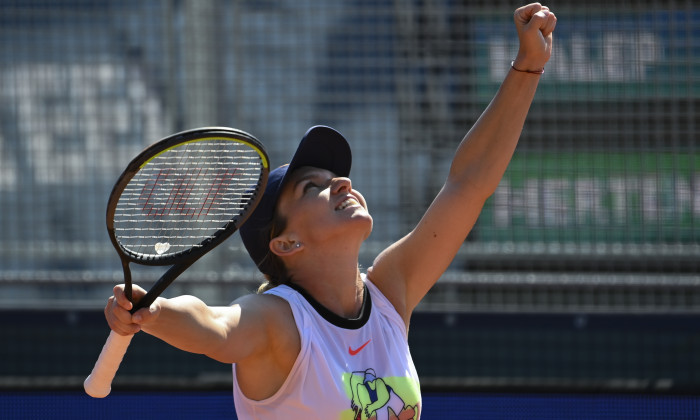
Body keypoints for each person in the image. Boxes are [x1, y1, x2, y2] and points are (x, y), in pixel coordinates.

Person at [104, 3, 556, 419]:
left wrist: (528, 67)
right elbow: (214, 326)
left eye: (333, 177)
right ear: (285, 243)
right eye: (311, 186)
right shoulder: (278, 322)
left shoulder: (388, 293)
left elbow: (469, 185)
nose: (341, 182)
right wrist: (156, 312)